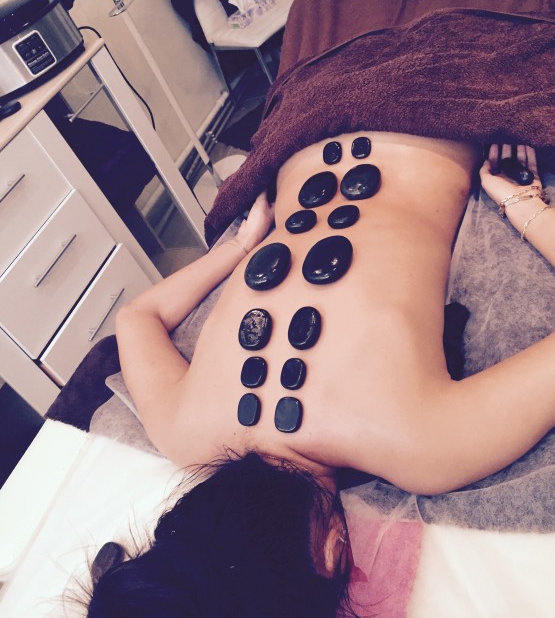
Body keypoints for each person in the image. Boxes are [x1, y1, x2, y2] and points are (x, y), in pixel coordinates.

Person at [86, 132, 555, 617]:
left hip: (433, 117)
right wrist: (242, 245)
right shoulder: (181, 430)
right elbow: (135, 318)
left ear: (332, 554)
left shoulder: (425, 446)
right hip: (304, 127)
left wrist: (524, 206)